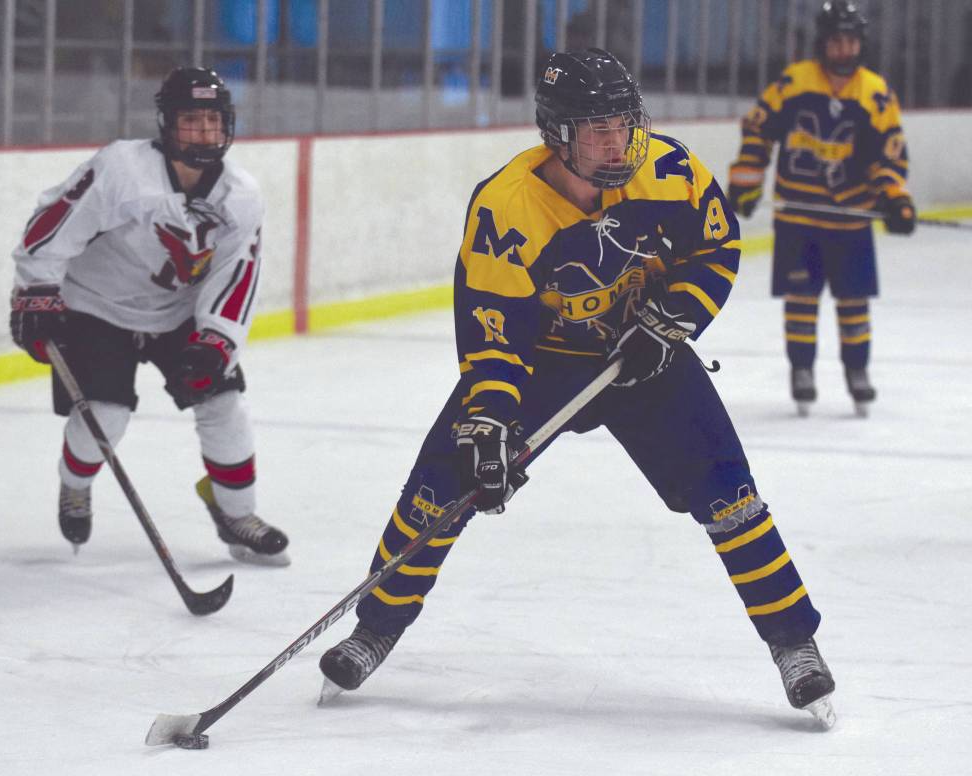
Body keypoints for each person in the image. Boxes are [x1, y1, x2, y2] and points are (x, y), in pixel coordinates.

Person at [318, 48, 836, 727]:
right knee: (441, 488)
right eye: (595, 129)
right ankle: (375, 628)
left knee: (730, 495)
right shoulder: (507, 207)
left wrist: (672, 319)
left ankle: (795, 641)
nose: (614, 141)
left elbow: (716, 249)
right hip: (543, 361)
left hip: (641, 354)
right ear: (556, 134)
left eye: (622, 122)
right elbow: (495, 337)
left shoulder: (671, 170)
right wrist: (491, 426)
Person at [9, 67, 289, 566]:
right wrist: (35, 293)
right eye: (191, 121)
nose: (204, 133)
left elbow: (237, 275)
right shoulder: (122, 169)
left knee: (224, 404)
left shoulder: (241, 196)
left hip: (176, 313)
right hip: (97, 308)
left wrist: (217, 339)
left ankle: (237, 514)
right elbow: (55, 222)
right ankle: (75, 484)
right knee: (106, 418)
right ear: (165, 124)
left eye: (213, 121)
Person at [727, 0, 915, 416]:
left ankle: (857, 371)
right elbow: (759, 129)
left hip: (850, 220)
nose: (843, 50)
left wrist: (894, 197)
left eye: (850, 41)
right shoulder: (794, 82)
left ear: (860, 44)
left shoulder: (875, 92)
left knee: (853, 302)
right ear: (823, 43)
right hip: (799, 217)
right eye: (836, 42)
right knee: (801, 300)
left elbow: (888, 155)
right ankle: (802, 370)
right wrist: (746, 180)